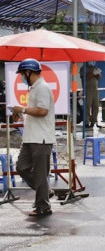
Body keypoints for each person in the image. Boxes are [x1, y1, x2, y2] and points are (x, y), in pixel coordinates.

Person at [12, 58, 55, 216]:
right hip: (30, 137)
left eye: (23, 74)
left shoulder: (42, 88)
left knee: (39, 173)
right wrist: (20, 115)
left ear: (29, 72)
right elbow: (33, 112)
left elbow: (43, 111)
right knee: (21, 167)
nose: (22, 77)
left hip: (41, 139)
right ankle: (44, 189)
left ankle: (43, 207)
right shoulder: (34, 88)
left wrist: (22, 109)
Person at [80, 61, 103, 128]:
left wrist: (98, 74)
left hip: (95, 89)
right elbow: (85, 77)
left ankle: (94, 121)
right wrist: (93, 74)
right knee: (87, 106)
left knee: (96, 106)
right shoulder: (83, 68)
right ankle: (86, 122)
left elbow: (99, 77)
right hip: (88, 90)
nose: (92, 62)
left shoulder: (94, 67)